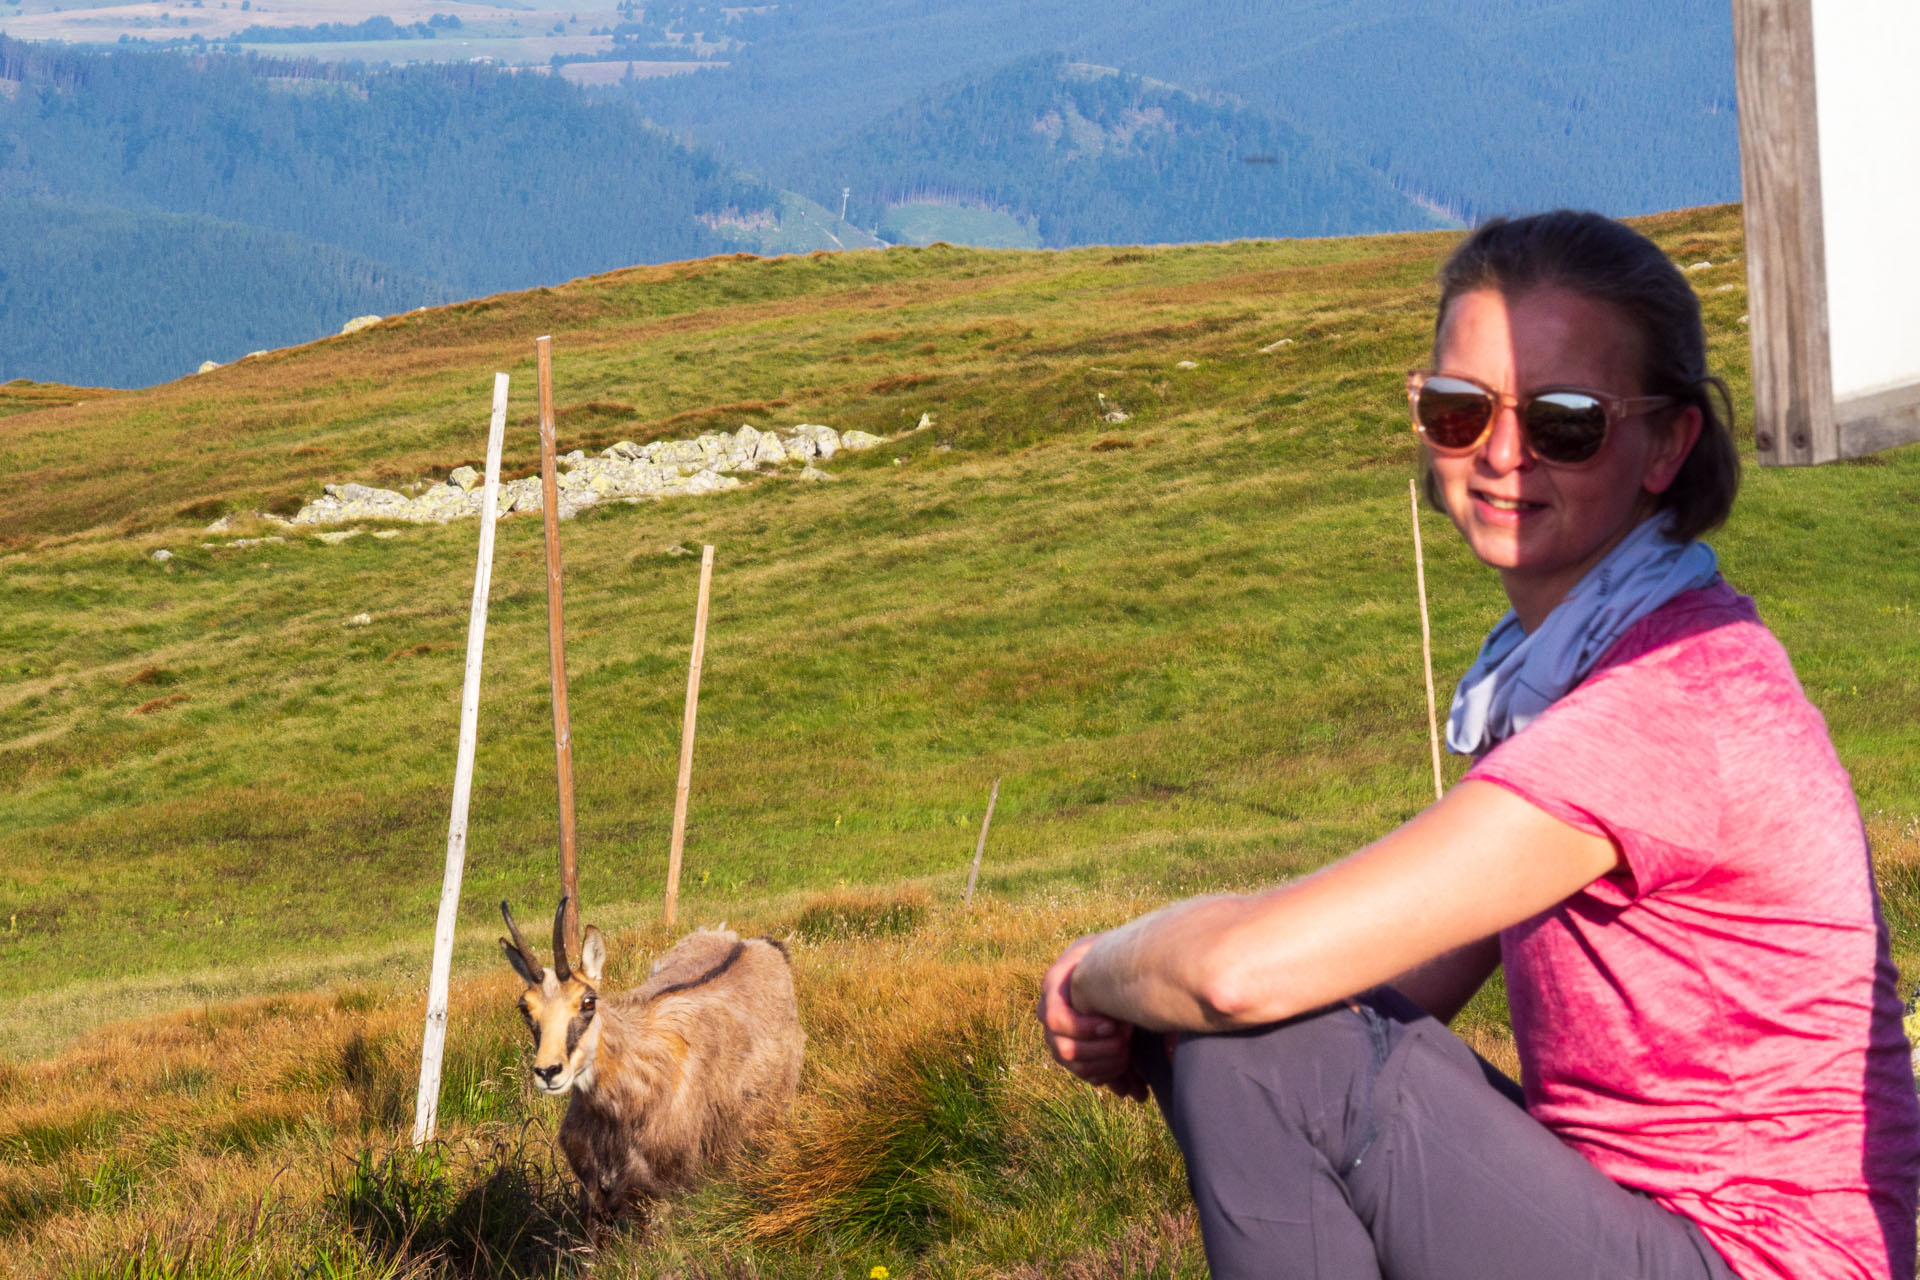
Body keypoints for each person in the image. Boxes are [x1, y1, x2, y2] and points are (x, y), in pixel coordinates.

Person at [1036, 210, 1920, 1280]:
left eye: (1566, 422)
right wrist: (1159, 1021)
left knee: (1266, 1056)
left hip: (1744, 1259)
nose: (1502, 454)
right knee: (1252, 1044)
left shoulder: (1663, 703)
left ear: (1668, 443)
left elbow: (1238, 974)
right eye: (1461, 411)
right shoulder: (1572, 670)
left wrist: (1103, 972)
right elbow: (1396, 977)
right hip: (1648, 1229)